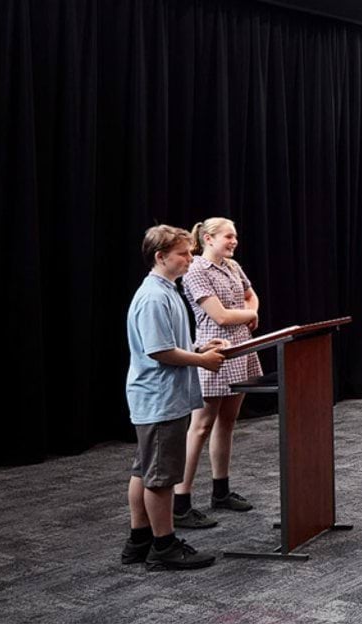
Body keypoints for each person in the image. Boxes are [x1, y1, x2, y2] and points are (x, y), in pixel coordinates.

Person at [122, 225, 227, 570]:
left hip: (161, 398)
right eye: (183, 253)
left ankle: (140, 541)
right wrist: (202, 360)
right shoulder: (154, 296)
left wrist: (199, 347)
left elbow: (170, 343)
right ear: (160, 257)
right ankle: (163, 546)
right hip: (159, 399)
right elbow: (159, 351)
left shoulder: (166, 290)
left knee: (145, 470)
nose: (190, 259)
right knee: (162, 476)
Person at [173, 217, 262, 527]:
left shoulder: (232, 266)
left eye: (235, 236)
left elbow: (251, 294)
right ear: (208, 239)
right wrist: (249, 314)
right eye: (228, 236)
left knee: (228, 421)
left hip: (241, 350)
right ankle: (180, 502)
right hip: (214, 352)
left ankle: (220, 492)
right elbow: (220, 316)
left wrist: (251, 310)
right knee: (201, 426)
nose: (234, 241)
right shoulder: (196, 270)